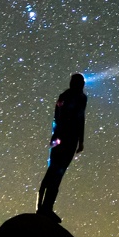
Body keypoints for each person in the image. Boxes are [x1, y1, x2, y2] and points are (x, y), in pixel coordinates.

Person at [36, 73, 86, 222]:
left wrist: (55, 138)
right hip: (68, 139)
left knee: (53, 171)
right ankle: (45, 208)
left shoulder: (63, 96)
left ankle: (42, 207)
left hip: (59, 138)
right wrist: (80, 141)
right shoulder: (80, 98)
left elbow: (57, 117)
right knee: (56, 173)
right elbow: (79, 118)